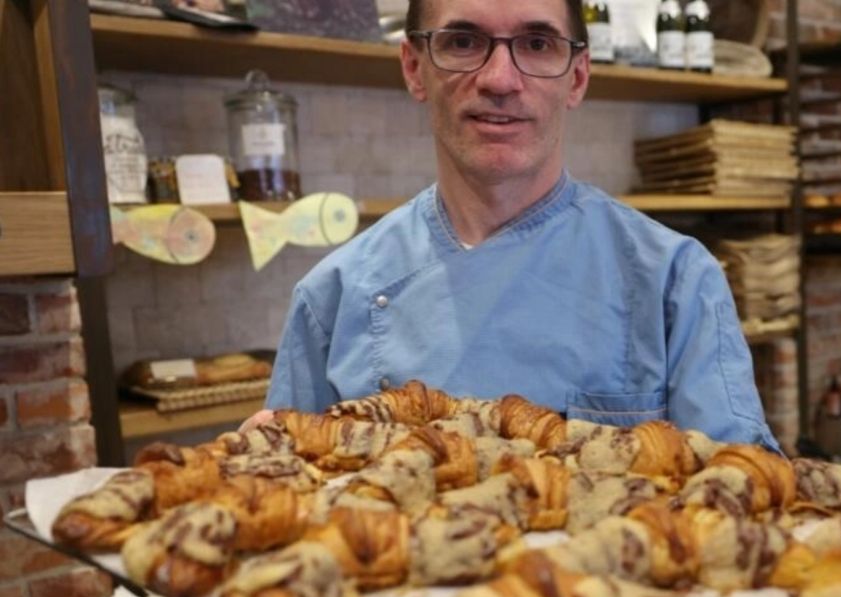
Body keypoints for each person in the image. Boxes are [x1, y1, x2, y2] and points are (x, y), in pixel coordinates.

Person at [259, 0, 779, 451]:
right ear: (415, 68)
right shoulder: (332, 298)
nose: (500, 80)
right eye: (463, 42)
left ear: (577, 76)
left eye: (536, 44)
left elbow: (745, 495)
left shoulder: (677, 281)